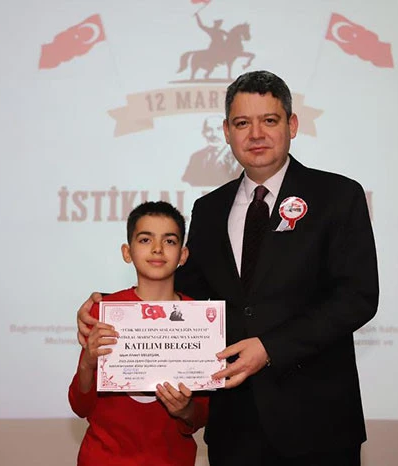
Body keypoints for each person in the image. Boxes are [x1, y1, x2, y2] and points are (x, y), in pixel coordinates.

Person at [77, 70, 379, 465]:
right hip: (234, 428)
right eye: (242, 123)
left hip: (318, 424)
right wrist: (108, 311)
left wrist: (269, 348)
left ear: (292, 125)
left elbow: (357, 298)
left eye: (269, 120)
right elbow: (183, 296)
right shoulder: (209, 208)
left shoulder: (338, 196)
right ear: (226, 131)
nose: (256, 134)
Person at [68, 201, 209, 466]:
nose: (157, 248)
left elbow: (200, 416)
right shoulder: (103, 311)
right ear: (127, 252)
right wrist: (87, 361)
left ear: (183, 255)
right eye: (145, 239)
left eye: (169, 241)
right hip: (103, 458)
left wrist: (185, 409)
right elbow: (80, 406)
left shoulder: (199, 318)